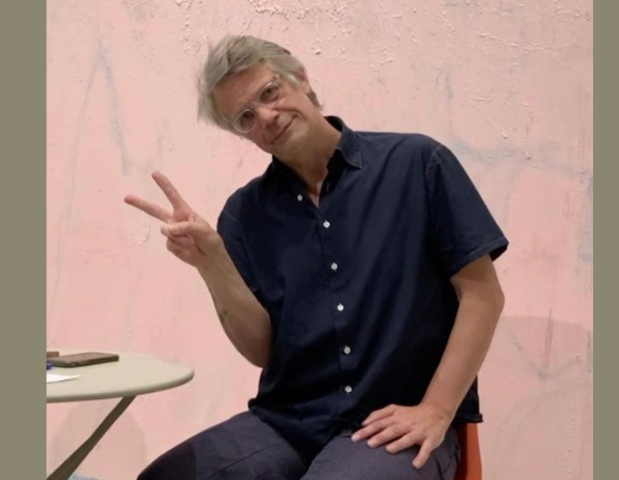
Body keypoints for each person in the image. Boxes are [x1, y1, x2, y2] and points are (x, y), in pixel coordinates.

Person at [125, 35, 508, 480]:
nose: (266, 117)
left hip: (394, 425)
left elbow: (482, 294)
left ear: (302, 79)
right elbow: (261, 349)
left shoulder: (416, 163)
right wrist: (213, 264)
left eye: (270, 92)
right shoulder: (244, 214)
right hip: (288, 422)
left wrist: (437, 409)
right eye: (245, 118)